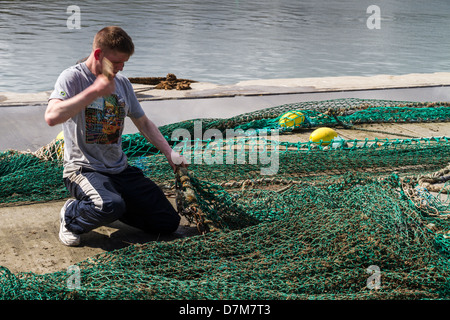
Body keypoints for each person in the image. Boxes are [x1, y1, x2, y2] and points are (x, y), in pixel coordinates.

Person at [45, 26, 187, 246]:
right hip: (83, 169)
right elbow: (52, 117)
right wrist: (93, 92)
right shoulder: (72, 77)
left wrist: (169, 152)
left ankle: (112, 206)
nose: (120, 68)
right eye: (116, 62)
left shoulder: (122, 84)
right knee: (107, 205)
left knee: (167, 222)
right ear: (98, 55)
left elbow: (144, 123)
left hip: (120, 170)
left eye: (124, 63)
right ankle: (72, 215)